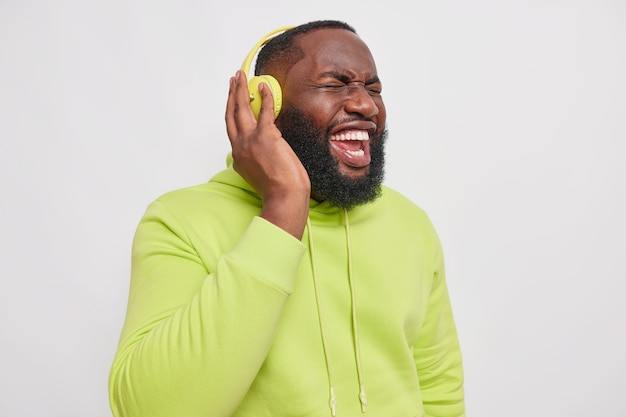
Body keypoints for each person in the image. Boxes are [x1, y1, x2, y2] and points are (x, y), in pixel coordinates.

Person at [108, 20, 465, 417]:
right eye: (335, 84)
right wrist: (283, 205)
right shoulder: (179, 222)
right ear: (266, 105)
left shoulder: (410, 225)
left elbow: (438, 390)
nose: (365, 105)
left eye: (373, 88)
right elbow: (150, 407)